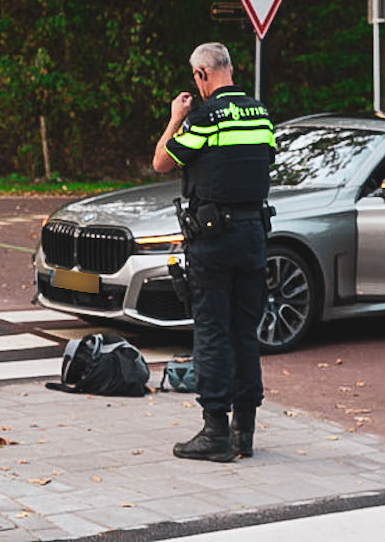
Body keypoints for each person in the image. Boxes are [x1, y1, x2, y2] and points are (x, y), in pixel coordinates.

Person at [152, 42, 276, 462]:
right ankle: (246, 434)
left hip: (214, 239)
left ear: (202, 76)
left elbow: (162, 162)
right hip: (254, 234)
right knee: (245, 332)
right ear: (232, 69)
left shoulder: (205, 117)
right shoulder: (259, 113)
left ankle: (215, 433)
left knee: (212, 332)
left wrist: (175, 119)